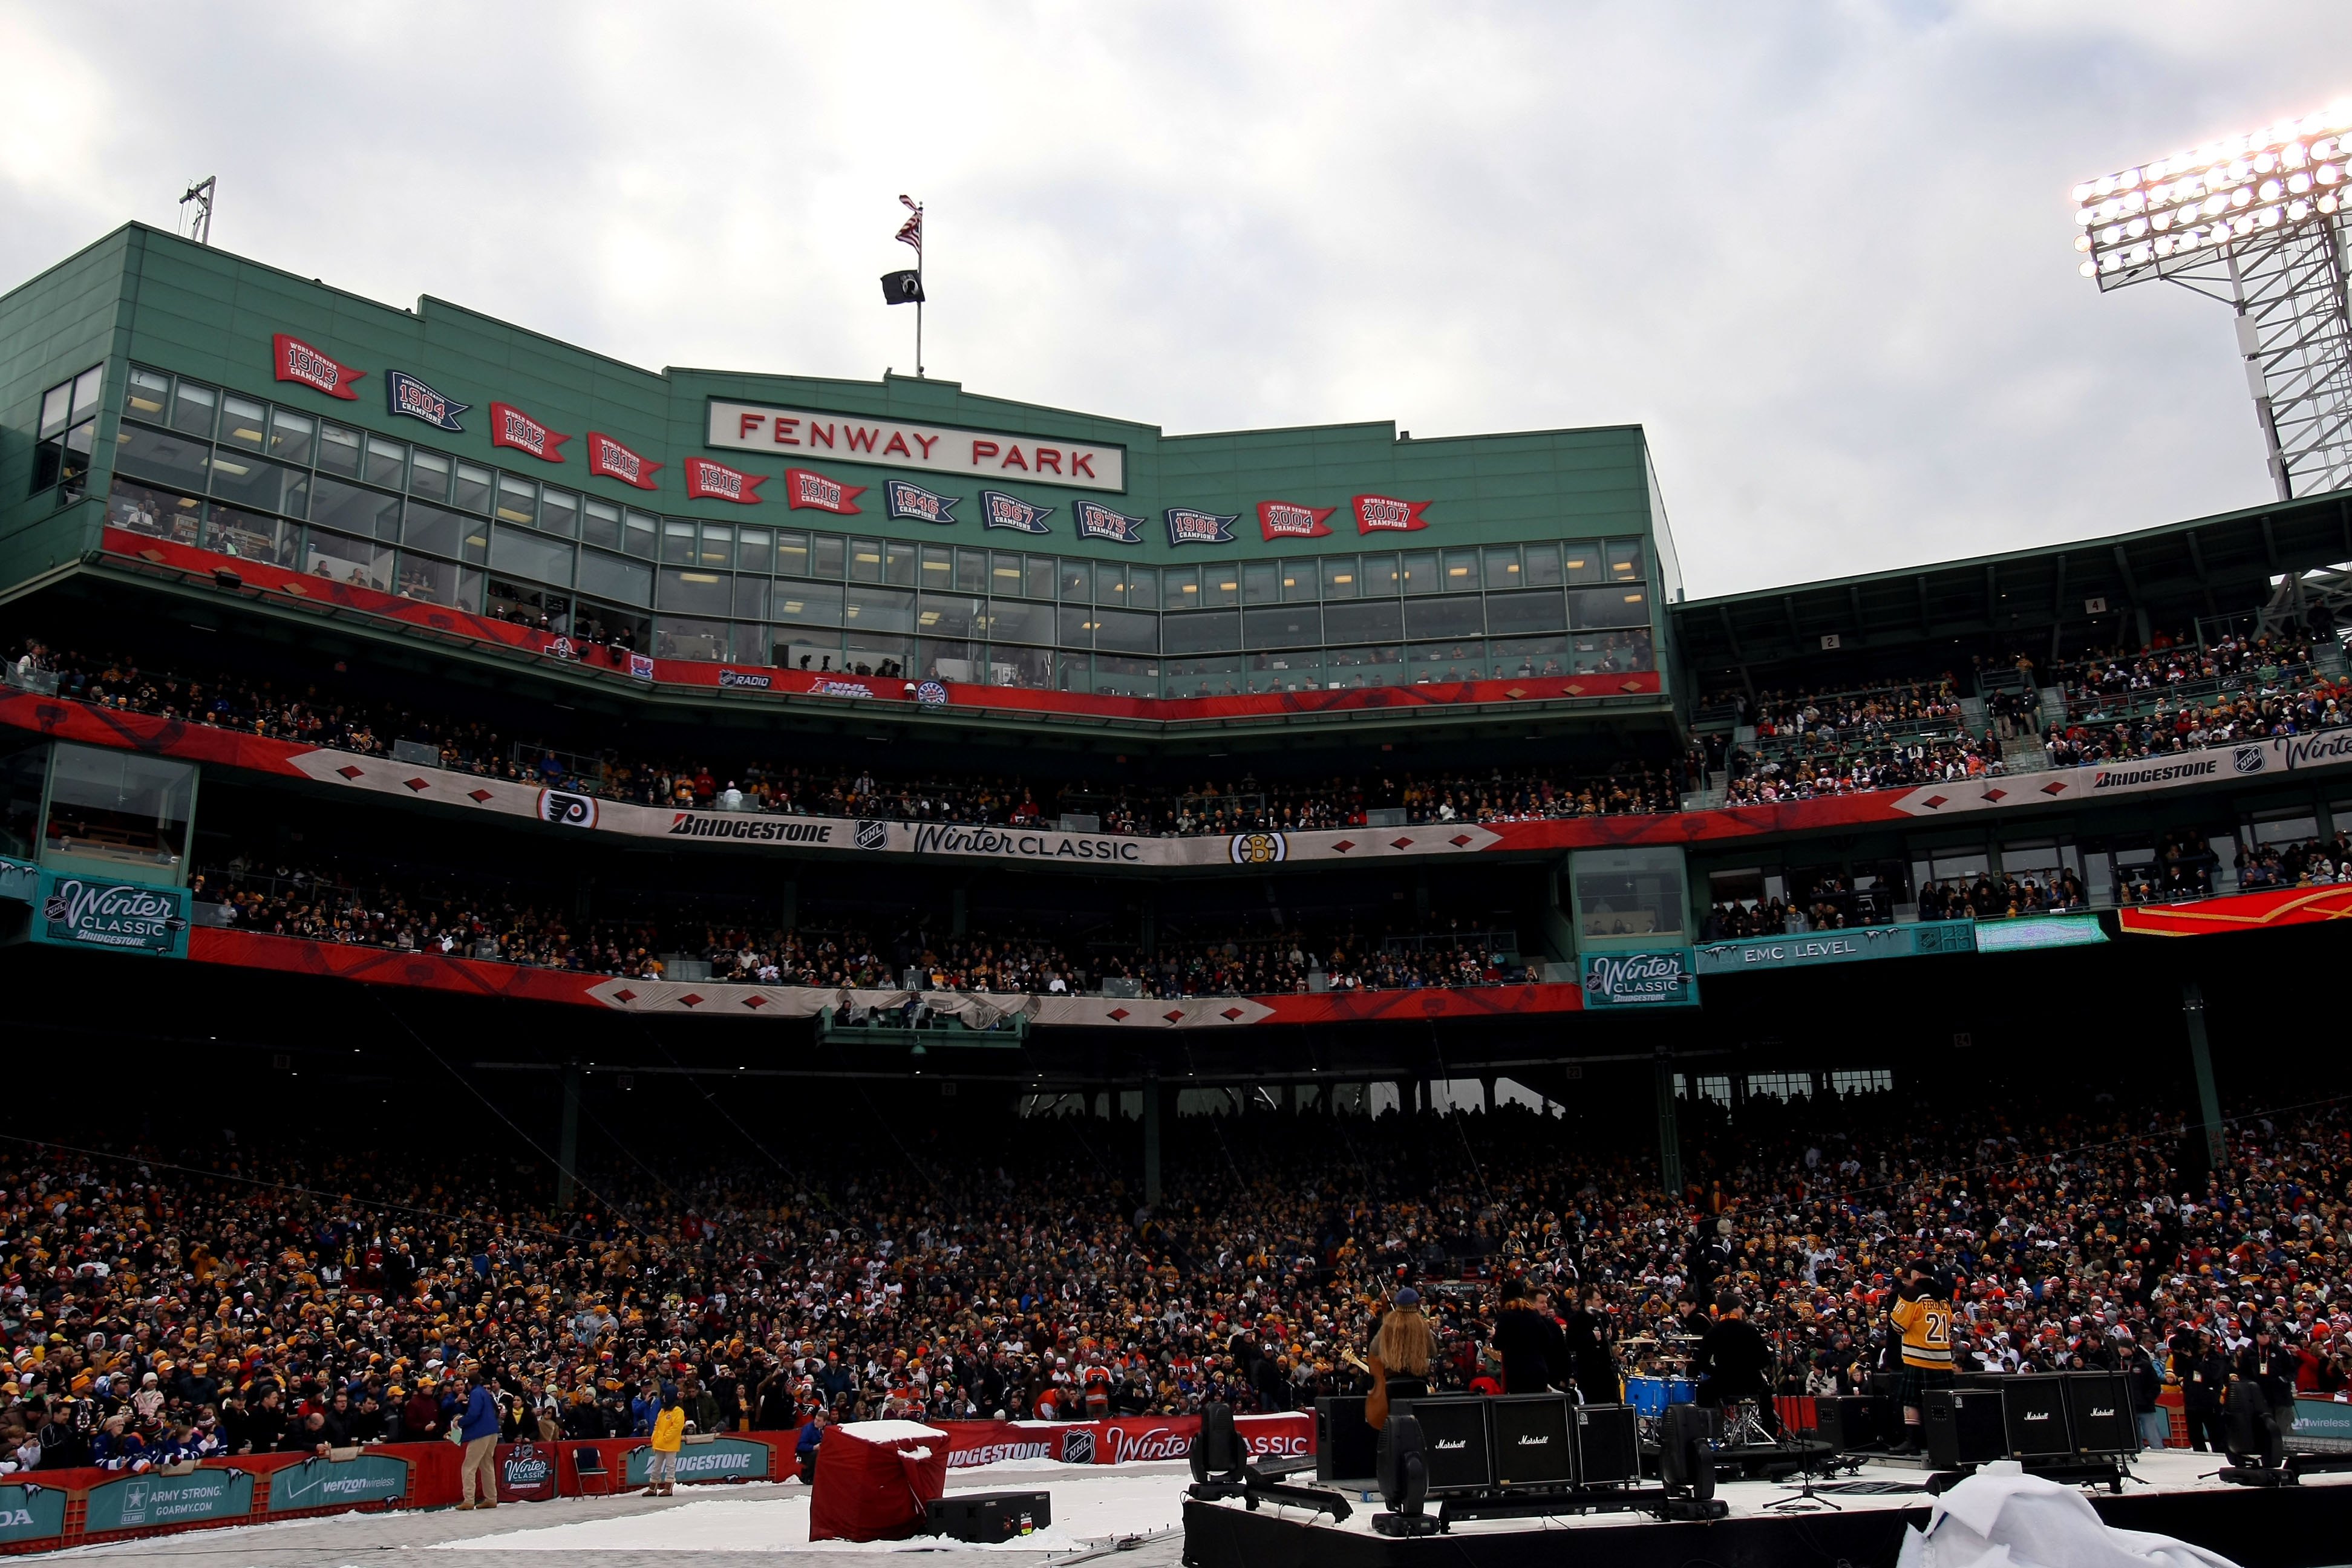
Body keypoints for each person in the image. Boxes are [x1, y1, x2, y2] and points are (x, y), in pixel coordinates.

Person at [1888, 1261, 1955, 1455]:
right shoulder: (1943, 1296)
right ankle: (1944, 1442)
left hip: (1918, 1356)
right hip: (1943, 1357)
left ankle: (1912, 1441)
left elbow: (1898, 1325)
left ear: (1916, 1274)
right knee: (1942, 1402)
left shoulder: (1912, 1293)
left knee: (1912, 1401)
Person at [1691, 1292, 1779, 1436]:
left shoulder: (1713, 1332)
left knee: (1703, 1390)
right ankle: (1771, 1433)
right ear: (1733, 1309)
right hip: (1751, 1383)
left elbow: (1701, 1363)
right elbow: (1765, 1360)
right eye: (1740, 1307)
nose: (1743, 1311)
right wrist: (1749, 1368)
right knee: (1766, 1391)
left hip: (1724, 1383)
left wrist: (1719, 1373)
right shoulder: (1750, 1329)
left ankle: (1711, 1433)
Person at [1363, 1287, 1436, 1429]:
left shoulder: (1389, 1323)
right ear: (1417, 1304)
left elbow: (1374, 1349)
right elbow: (1433, 1352)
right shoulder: (1421, 1324)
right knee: (1419, 1425)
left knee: (1395, 1426)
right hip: (1417, 1382)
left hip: (1393, 1383)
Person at [1492, 1279, 1567, 1395]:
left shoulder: (1506, 1315)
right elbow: (1547, 1340)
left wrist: (1495, 1335)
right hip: (1538, 1371)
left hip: (1517, 1374)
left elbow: (1497, 1344)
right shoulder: (1533, 1314)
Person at [1561, 1284, 1621, 1406]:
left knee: (1614, 1402)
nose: (1601, 1302)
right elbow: (1571, 1344)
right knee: (1593, 1404)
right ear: (1588, 1302)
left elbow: (1612, 1337)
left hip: (1606, 1368)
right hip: (1588, 1371)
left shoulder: (1603, 1316)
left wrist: (1611, 1336)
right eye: (1597, 1300)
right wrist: (1591, 1337)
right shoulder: (1576, 1319)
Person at [456, 1367, 502, 1511]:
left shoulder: (475, 1393)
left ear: (469, 1384)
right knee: (487, 1466)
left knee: (468, 1467)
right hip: (492, 1431)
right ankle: (491, 1498)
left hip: (480, 1433)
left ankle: (469, 1500)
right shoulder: (485, 1393)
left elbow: (474, 1414)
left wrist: (460, 1422)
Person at [646, 1390, 687, 1497]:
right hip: (660, 1443)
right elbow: (657, 1425)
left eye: (665, 1396)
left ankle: (668, 1488)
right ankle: (652, 1488)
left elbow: (676, 1428)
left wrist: (666, 1438)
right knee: (656, 1466)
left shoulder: (678, 1411)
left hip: (670, 1444)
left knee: (670, 1466)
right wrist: (655, 1437)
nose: (663, 1398)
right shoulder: (663, 1411)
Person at [797, 1407, 828, 1483]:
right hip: (806, 1453)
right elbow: (801, 1445)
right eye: (816, 1419)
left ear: (825, 1422)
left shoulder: (827, 1428)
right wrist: (814, 1447)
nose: (816, 1422)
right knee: (816, 1455)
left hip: (821, 1451)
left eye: (819, 1421)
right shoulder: (808, 1429)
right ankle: (809, 1477)